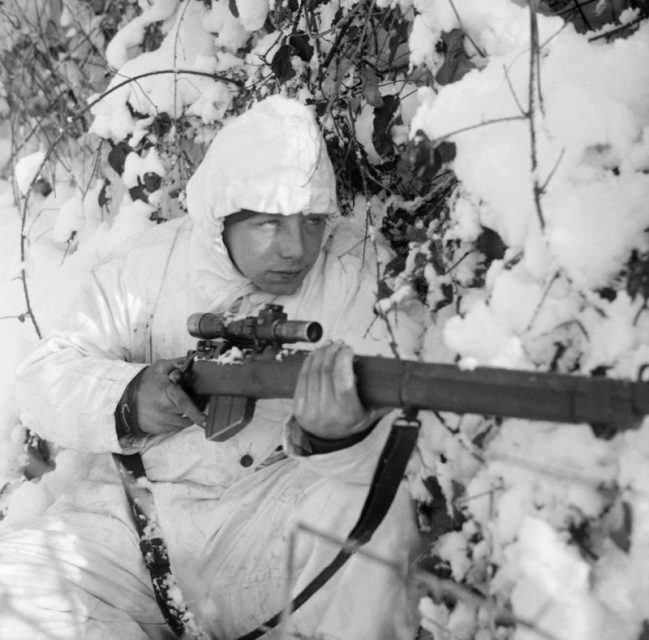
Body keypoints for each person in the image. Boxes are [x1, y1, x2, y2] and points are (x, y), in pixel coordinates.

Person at [0, 96, 422, 640]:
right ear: (224, 215)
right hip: (125, 526)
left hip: (264, 531)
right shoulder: (149, 265)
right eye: (269, 223)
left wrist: (340, 440)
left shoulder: (356, 270)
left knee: (374, 517)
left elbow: (408, 433)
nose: (297, 248)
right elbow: (43, 378)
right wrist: (130, 397)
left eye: (313, 221)